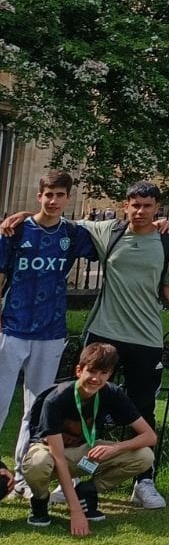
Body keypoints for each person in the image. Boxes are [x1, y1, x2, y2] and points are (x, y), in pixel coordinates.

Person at [2, 180, 169, 509]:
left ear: (158, 209)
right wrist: (24, 213)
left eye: (147, 206)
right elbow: (54, 219)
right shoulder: (108, 230)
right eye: (135, 205)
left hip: (146, 337)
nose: (140, 211)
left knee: (143, 409)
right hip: (103, 332)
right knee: (87, 410)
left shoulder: (167, 241)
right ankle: (78, 479)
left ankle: (144, 483)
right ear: (125, 206)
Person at [0, 171, 97, 495]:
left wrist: (162, 228)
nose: (53, 201)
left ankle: (24, 477)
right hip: (12, 327)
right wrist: (22, 216)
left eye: (59, 195)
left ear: (68, 197)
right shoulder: (15, 231)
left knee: (36, 407)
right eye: (48, 195)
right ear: (39, 196)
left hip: (51, 331)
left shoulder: (73, 234)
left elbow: (118, 235)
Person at [21, 343, 156, 536]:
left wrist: (116, 448)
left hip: (85, 450)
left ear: (109, 374)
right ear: (79, 370)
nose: (96, 378)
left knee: (144, 456)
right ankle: (41, 501)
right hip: (50, 451)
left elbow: (150, 436)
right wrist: (76, 512)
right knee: (38, 464)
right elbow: (58, 456)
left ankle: (87, 490)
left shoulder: (112, 392)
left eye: (103, 373)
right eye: (92, 371)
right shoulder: (56, 399)